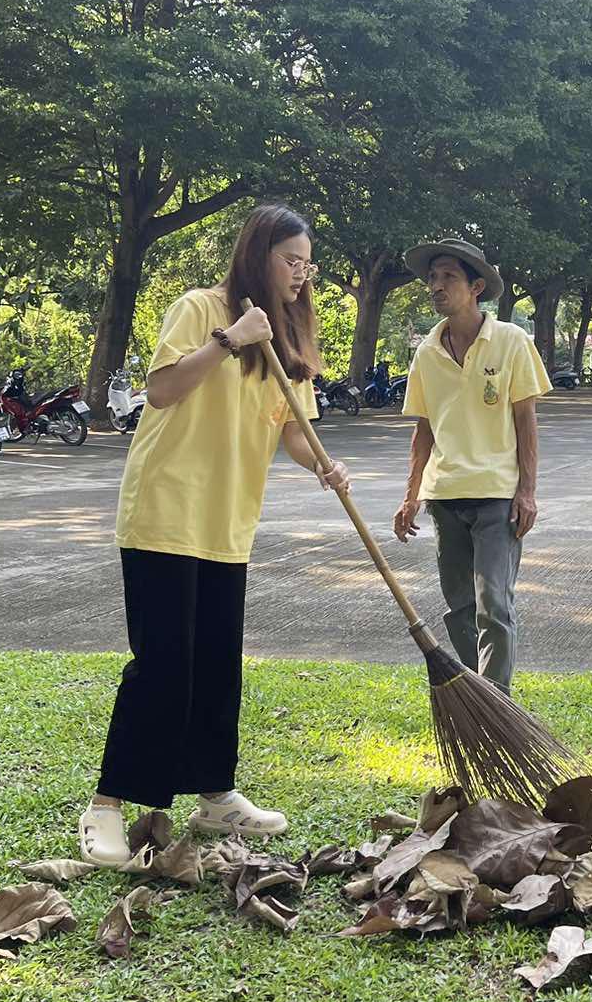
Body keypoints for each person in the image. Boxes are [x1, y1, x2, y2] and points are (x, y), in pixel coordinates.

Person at [78, 205, 352, 868]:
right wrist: (230, 337)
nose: (301, 275)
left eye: (307, 264)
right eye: (293, 260)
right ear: (259, 255)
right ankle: (107, 806)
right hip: (166, 512)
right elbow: (163, 390)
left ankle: (215, 795)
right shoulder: (201, 308)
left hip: (227, 522)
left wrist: (324, 463)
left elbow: (293, 429)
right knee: (163, 665)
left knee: (216, 664)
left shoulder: (288, 342)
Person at [391, 239, 551, 695]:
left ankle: (497, 703)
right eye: (432, 278)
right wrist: (411, 496)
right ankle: (478, 695)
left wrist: (527, 491)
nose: (436, 287)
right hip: (444, 496)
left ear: (476, 287)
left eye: (448, 278)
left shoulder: (510, 341)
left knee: (492, 603)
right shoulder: (426, 351)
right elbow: (424, 431)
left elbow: (526, 420)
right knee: (459, 606)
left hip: (498, 495)